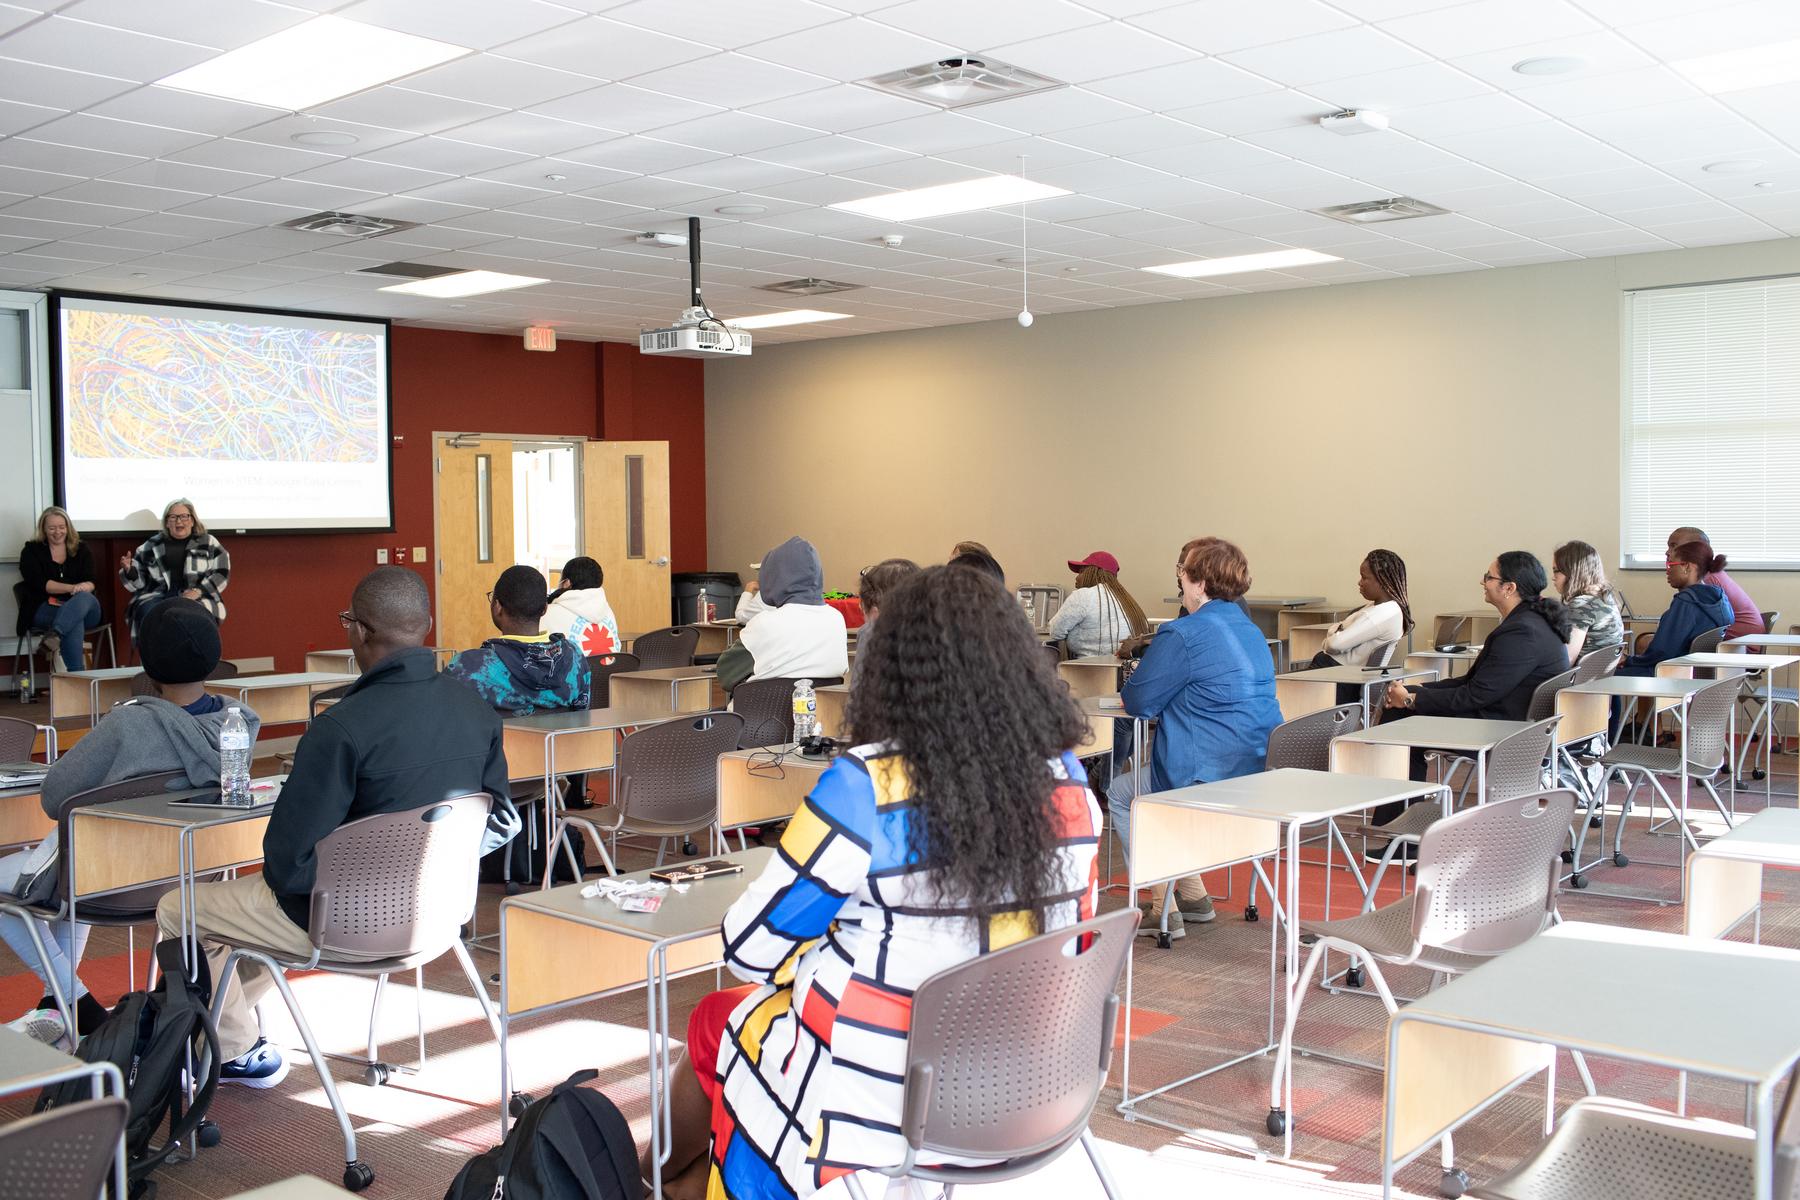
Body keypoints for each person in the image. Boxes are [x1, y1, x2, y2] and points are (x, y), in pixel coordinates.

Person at [651, 565, 1100, 1200]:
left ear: (892, 671)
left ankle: (649, 1180)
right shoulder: (1070, 782)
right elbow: (1071, 941)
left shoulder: (867, 786)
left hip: (876, 1097)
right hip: (1024, 1083)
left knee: (717, 1019)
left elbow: (747, 951)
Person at [156, 567, 517, 1087]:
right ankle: (231, 1022)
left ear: (359, 631)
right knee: (243, 925)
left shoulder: (339, 727)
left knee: (182, 908)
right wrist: (426, 865)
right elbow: (503, 820)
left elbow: (287, 864)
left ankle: (231, 1049)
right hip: (439, 915)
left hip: (346, 923)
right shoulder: (478, 711)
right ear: (427, 625)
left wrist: (353, 888)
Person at [0, 599, 259, 1037]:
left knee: (62, 872)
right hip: (184, 879)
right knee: (79, 868)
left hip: (109, 880)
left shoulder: (128, 726)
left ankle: (77, 1003)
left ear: (146, 662)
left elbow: (54, 796)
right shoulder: (237, 725)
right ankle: (55, 1006)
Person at [1110, 537, 1281, 938]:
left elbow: (1138, 701)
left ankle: (1161, 908)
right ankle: (1193, 895)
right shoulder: (1252, 631)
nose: (1179, 583)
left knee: (1122, 794)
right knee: (1148, 786)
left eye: (1181, 574)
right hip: (1255, 769)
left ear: (1199, 583)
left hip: (1205, 773)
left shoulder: (1182, 633)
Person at [1385, 552, 1570, 722]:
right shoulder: (1532, 621)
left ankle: (1401, 759)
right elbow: (1471, 682)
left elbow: (1475, 695)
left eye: (1489, 577)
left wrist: (1410, 700)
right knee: (1403, 696)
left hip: (1498, 729)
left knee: (1399, 711)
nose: (1482, 582)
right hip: (1506, 718)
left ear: (1509, 588)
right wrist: (1420, 688)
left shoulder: (1522, 632)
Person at [443, 565, 591, 717]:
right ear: (544, 609)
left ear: (497, 607)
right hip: (559, 741)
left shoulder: (467, 667)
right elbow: (581, 717)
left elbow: (451, 724)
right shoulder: (574, 658)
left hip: (501, 741)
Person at [715, 537, 847, 694]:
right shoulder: (836, 619)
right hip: (819, 715)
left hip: (755, 715)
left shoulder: (765, 622)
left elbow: (725, 674)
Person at [118, 498, 229, 644]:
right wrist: (130, 571)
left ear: (192, 520)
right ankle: (156, 660)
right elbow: (140, 583)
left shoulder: (208, 542)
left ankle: (197, 660)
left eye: (184, 516)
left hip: (197, 595)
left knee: (191, 618)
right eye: (173, 517)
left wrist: (198, 591)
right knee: (149, 614)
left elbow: (222, 573)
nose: (179, 522)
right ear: (166, 522)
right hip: (158, 595)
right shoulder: (152, 545)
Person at [1620, 540, 1735, 676]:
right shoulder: (1719, 597)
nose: (1667, 570)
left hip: (1670, 671)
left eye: (1670, 564)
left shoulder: (1686, 602)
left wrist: (1628, 660)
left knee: (1604, 677)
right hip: (1693, 671)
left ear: (1687, 567)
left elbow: (1662, 652)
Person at [17, 506, 102, 672]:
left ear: (68, 527)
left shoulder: (81, 549)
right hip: (45, 607)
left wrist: (84, 587)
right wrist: (73, 588)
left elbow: (91, 581)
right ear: (43, 529)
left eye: (62, 527)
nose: (58, 532)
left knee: (84, 598)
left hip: (85, 608)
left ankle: (55, 635)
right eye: (52, 528)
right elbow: (41, 584)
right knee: (73, 619)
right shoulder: (31, 551)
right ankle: (77, 675)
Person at [1311, 549, 1411, 669]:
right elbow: (1340, 631)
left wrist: (1333, 635)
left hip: (1336, 675)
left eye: (1364, 577)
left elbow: (1334, 645)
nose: (1359, 582)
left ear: (1382, 581)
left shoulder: (1382, 614)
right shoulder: (1381, 608)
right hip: (1336, 671)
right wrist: (1339, 630)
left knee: (1283, 685)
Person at [1667, 526, 1764, 639]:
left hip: (1740, 644)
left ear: (1697, 547)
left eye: (1674, 546)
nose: (1667, 552)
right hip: (1743, 640)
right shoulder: (1709, 573)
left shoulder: (1704, 579)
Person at [1048, 550, 1149, 658]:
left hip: (1090, 670)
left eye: (1081, 572)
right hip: (1125, 669)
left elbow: (1055, 632)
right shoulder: (1127, 600)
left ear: (1092, 572)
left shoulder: (1083, 596)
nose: (1077, 577)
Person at [1553, 540, 1623, 665]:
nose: (1553, 577)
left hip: (1578, 681)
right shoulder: (1604, 596)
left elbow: (1567, 659)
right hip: (1598, 678)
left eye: (1556, 570)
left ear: (1572, 571)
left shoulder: (1581, 605)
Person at [540, 556, 622, 659]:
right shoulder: (607, 610)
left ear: (566, 583)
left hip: (575, 675)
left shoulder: (548, 613)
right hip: (610, 673)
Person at [855, 557, 919, 638]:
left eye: (862, 604)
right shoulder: (934, 630)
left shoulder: (870, 632)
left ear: (875, 612)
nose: (860, 607)